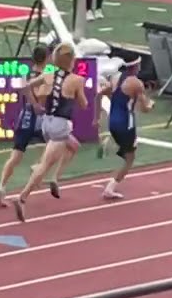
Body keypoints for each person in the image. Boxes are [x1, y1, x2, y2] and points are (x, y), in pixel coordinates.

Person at [13, 43, 86, 221]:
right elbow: (84, 105)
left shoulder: (48, 74)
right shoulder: (76, 80)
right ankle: (22, 197)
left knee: (73, 146)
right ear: (70, 60)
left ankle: (55, 178)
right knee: (45, 164)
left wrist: (35, 103)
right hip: (60, 124)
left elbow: (24, 86)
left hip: (46, 123)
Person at [0, 45, 50, 207]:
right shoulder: (46, 76)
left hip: (24, 117)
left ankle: (2, 185)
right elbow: (41, 99)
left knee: (16, 155)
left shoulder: (25, 73)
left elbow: (23, 91)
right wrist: (38, 106)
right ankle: (38, 167)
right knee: (56, 145)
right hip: (39, 118)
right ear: (46, 57)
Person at [97, 63, 152, 200]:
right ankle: (110, 188)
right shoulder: (136, 83)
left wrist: (96, 117)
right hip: (127, 124)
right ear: (136, 66)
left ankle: (112, 145)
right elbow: (145, 108)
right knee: (130, 158)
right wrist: (150, 104)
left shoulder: (115, 78)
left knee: (127, 152)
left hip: (112, 121)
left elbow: (99, 95)